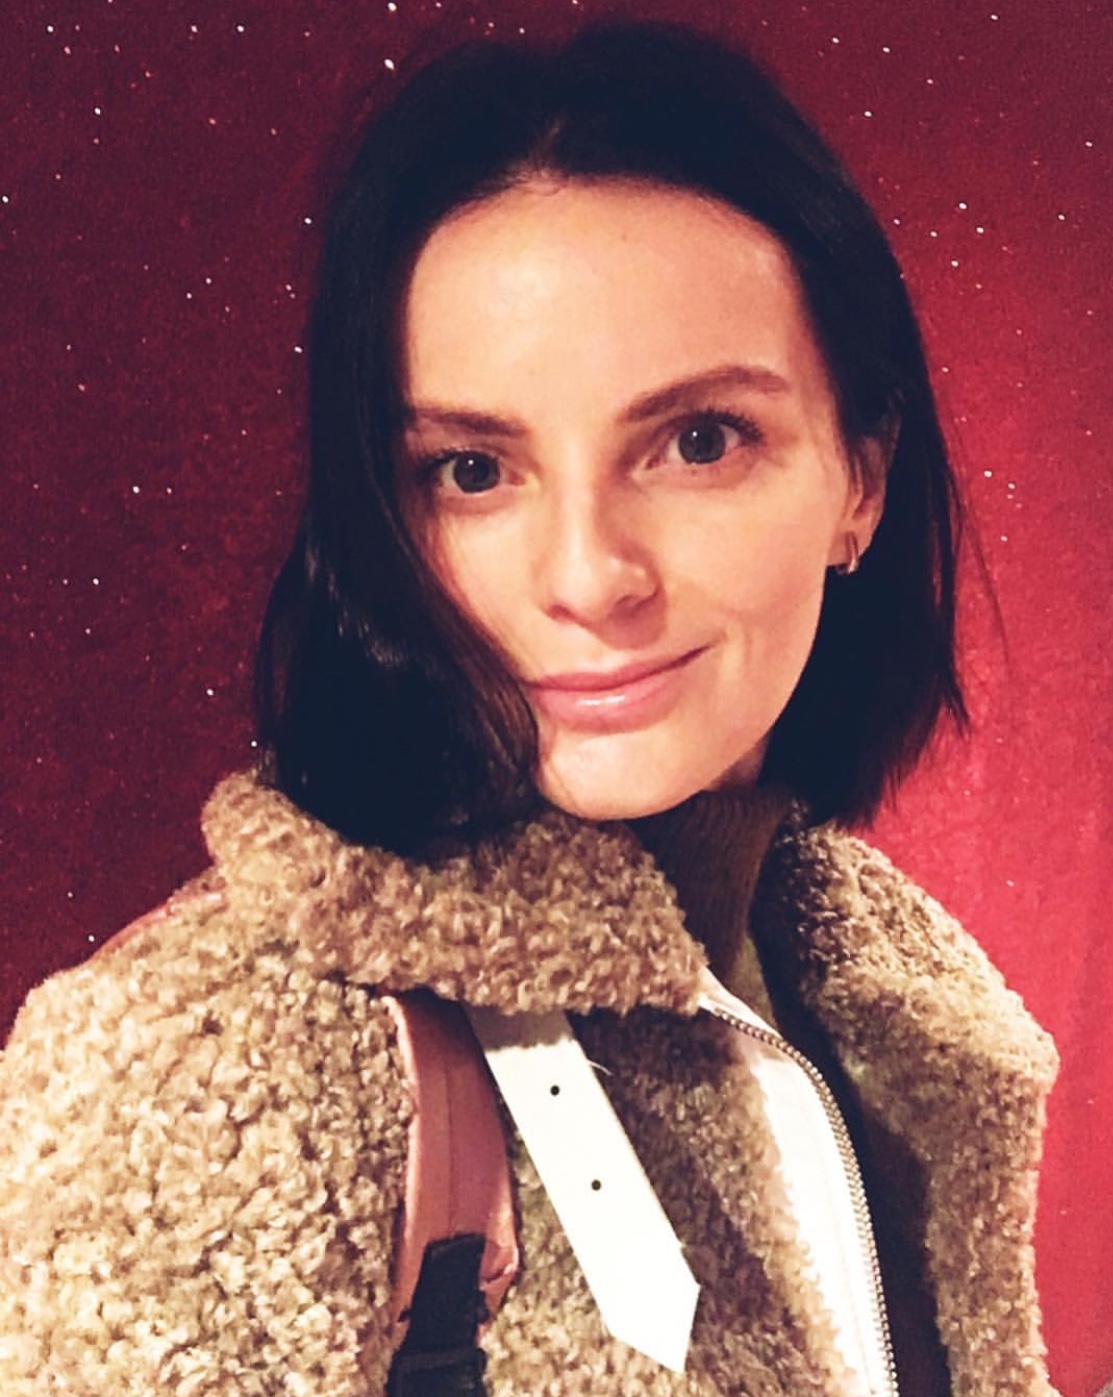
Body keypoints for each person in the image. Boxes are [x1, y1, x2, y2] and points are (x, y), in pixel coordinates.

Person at [0, 21, 1059, 1397]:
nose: (587, 576)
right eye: (472, 469)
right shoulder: (184, 1074)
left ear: (859, 480)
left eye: (697, 441)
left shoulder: (890, 994)